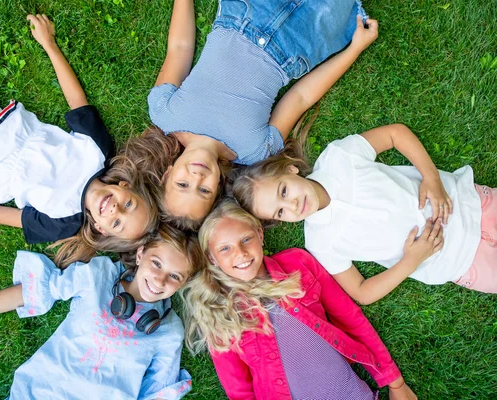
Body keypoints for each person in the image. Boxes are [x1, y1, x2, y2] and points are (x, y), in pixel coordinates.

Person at [0, 1, 157, 256]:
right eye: (129, 204)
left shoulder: (62, 223)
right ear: (125, 185)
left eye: (116, 223)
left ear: (100, 229)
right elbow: (76, 101)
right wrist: (49, 45)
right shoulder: (97, 151)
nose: (115, 209)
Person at [125, 0, 379, 230]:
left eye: (182, 184)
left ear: (168, 174)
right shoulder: (254, 152)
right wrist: (353, 50)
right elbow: (300, 97)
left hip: (245, 11)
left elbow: (180, 48)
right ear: (217, 190)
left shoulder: (164, 114)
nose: (196, 177)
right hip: (302, 39)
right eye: (203, 190)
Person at [0, 225, 204, 399]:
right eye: (156, 263)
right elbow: (32, 292)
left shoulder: (168, 331)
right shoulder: (97, 276)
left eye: (175, 277)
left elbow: (158, 393)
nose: (161, 280)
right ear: (140, 254)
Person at [230, 122, 494, 303]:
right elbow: (362, 292)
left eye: (284, 192)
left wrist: (431, 178)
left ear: (290, 169)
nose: (292, 206)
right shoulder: (321, 243)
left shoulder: (338, 158)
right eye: (279, 212)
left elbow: (395, 134)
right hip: (458, 260)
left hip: (469, 203)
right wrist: (411, 261)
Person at [180, 200, 416, 399]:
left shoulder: (297, 264)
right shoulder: (216, 312)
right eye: (225, 249)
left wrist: (394, 381)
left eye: (245, 239)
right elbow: (239, 389)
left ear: (260, 235)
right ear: (211, 258)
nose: (240, 253)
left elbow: (351, 318)